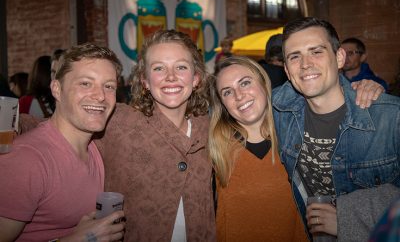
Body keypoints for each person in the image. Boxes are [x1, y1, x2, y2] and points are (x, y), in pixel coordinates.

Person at [272, 17, 400, 241]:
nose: (305, 64)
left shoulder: (390, 118)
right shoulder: (279, 112)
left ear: (339, 57)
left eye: (316, 51)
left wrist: (347, 217)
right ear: (286, 69)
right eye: (295, 56)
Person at [93, 30, 216, 241]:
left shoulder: (210, 129)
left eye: (181, 67)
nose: (171, 76)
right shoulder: (119, 122)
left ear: (196, 78)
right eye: (159, 68)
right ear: (145, 81)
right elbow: (62, 126)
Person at [0, 43, 125, 242]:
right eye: (85, 83)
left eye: (108, 86)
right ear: (57, 89)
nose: (101, 96)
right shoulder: (27, 159)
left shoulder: (94, 148)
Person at [208, 56, 308, 241]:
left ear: (263, 82)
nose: (239, 96)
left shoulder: (296, 134)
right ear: (222, 104)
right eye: (227, 92)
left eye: (245, 83)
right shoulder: (214, 147)